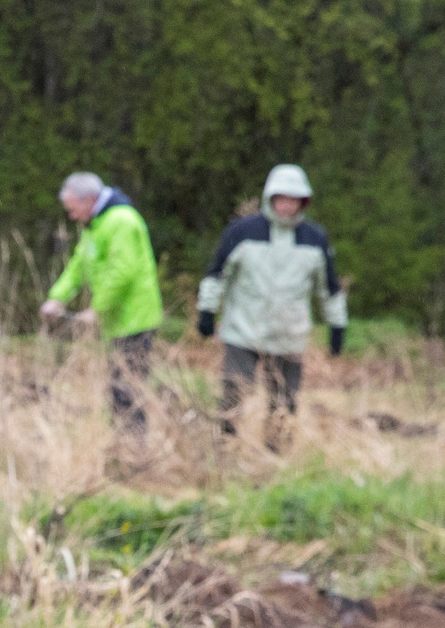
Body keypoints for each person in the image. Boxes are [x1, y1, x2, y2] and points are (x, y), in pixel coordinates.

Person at [197, 163, 347, 453]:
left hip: (289, 334)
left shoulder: (315, 239)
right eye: (282, 199)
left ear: (303, 202)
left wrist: (337, 327)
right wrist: (206, 312)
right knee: (233, 393)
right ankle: (223, 450)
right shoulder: (242, 231)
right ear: (270, 198)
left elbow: (329, 289)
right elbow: (216, 275)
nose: (287, 206)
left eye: (294, 200)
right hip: (244, 329)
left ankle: (276, 456)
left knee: (284, 401)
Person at [40, 172, 163, 436]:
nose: (71, 216)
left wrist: (97, 309)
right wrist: (56, 298)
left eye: (73, 210)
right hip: (116, 323)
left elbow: (123, 271)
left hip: (135, 320)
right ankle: (122, 446)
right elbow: (77, 267)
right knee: (117, 389)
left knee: (127, 389)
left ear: (89, 200)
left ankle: (134, 450)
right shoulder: (94, 226)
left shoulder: (122, 221)